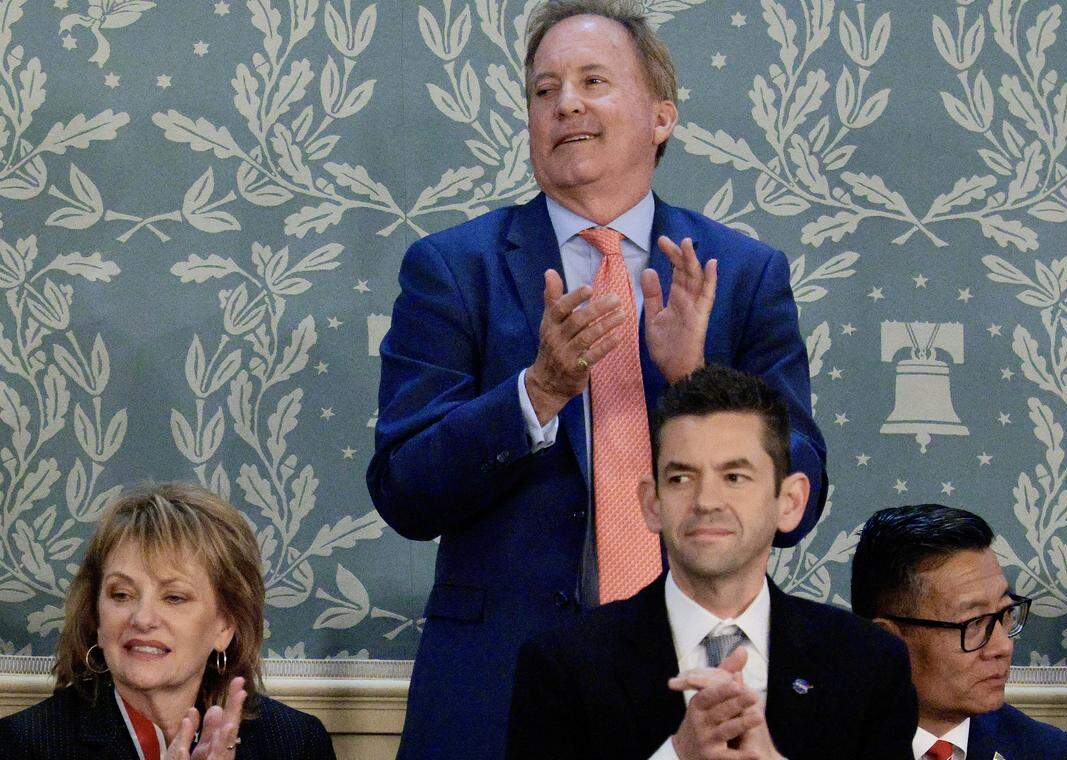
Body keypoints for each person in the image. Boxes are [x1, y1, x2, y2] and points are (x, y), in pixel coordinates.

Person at [367, 2, 826, 756]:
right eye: (544, 91)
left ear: (661, 116)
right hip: (498, 693)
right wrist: (537, 390)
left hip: (696, 685)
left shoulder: (740, 275)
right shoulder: (455, 270)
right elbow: (405, 490)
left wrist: (697, 379)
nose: (566, 104)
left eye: (592, 81)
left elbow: (800, 497)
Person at [507, 365, 914, 759]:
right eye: (681, 478)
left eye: (734, 477)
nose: (706, 501)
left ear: (790, 502)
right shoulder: (564, 666)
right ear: (652, 504)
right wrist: (677, 756)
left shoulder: (868, 664)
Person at [0, 483, 336, 760]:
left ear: (225, 625)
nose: (143, 618)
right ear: (96, 620)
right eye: (121, 595)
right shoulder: (22, 745)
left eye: (174, 597)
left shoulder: (295, 743)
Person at [851, 504, 1067, 760]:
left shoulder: (1044, 750)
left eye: (1004, 614)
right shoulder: (817, 743)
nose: (1003, 647)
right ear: (887, 641)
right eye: (973, 623)